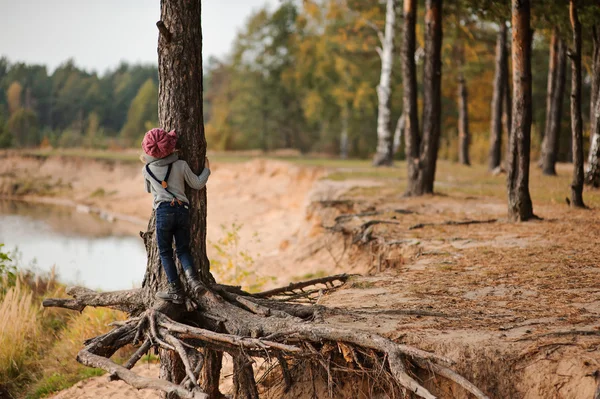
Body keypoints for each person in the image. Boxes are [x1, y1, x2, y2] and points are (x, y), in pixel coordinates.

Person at [141, 128, 211, 304]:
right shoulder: (181, 165)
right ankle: (194, 281)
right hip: (182, 210)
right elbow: (197, 184)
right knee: (183, 249)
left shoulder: (147, 169)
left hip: (163, 213)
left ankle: (175, 290)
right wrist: (207, 170)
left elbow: (148, 189)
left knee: (165, 252)